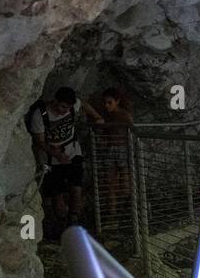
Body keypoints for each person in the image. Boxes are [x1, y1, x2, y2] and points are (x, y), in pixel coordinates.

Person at [30, 86, 100, 231]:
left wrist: (98, 117)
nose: (64, 110)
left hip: (73, 152)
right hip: (50, 159)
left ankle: (74, 221)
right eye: (62, 106)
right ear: (55, 100)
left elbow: (84, 104)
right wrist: (58, 155)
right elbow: (40, 141)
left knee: (76, 188)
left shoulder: (72, 106)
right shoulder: (40, 115)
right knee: (57, 193)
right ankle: (63, 224)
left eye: (68, 107)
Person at [92, 87, 134, 225]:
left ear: (117, 101)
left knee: (124, 180)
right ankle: (113, 214)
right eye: (105, 102)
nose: (106, 105)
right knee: (110, 183)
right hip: (110, 149)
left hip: (121, 149)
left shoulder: (124, 115)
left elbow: (130, 129)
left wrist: (105, 125)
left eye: (110, 102)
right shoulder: (107, 114)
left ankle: (126, 209)